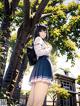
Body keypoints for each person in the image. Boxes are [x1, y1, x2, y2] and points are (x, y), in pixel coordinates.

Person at [27, 24, 53, 106]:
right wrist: (49, 49)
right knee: (39, 97)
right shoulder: (38, 39)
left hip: (42, 67)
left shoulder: (42, 41)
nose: (43, 33)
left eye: (45, 31)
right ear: (37, 32)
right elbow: (39, 52)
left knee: (34, 96)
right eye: (41, 31)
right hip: (42, 67)